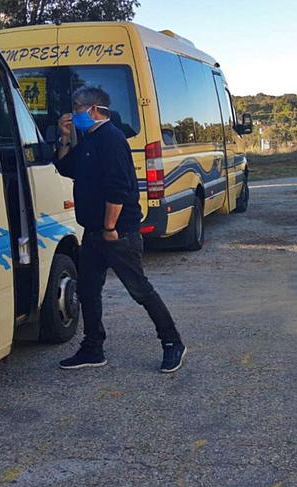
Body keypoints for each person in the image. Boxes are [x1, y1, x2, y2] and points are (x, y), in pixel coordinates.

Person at [54, 86, 186, 373]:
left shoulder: (111, 139)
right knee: (88, 291)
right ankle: (93, 348)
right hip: (93, 232)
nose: (73, 113)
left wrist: (110, 227)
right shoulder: (89, 139)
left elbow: (119, 188)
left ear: (94, 109)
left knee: (139, 290)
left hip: (117, 232)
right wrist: (65, 138)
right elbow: (66, 168)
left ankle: (172, 341)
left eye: (77, 107)